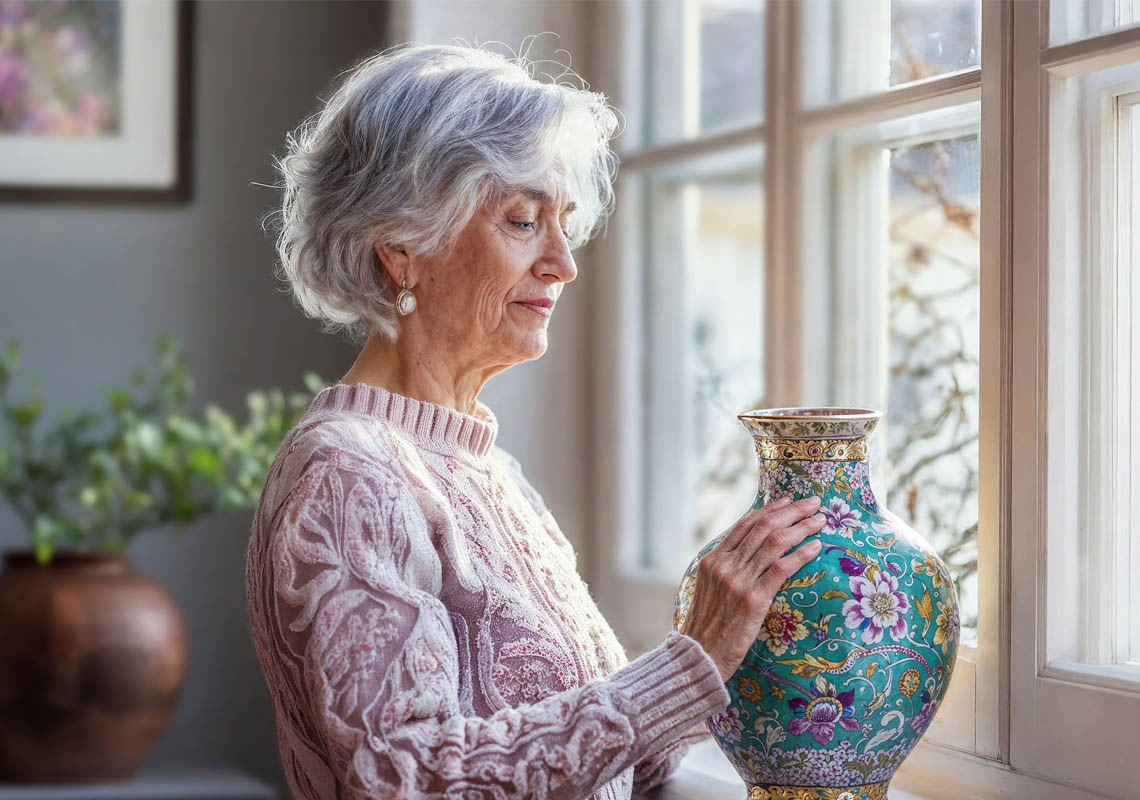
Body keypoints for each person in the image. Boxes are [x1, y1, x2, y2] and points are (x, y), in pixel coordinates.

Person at [244, 40, 826, 800]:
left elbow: (615, 760)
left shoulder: (487, 472)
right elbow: (409, 781)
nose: (563, 263)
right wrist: (692, 659)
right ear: (401, 248)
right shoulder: (351, 473)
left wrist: (732, 632)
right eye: (522, 221)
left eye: (563, 223)